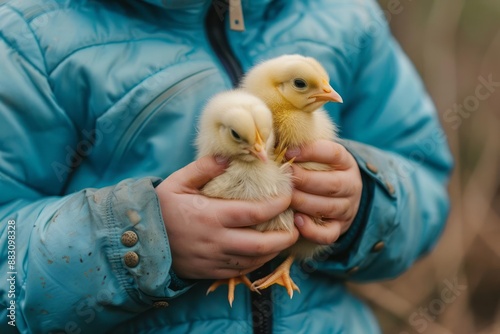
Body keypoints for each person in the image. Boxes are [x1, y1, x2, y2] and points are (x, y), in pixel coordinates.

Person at [0, 0, 453, 333]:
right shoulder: (31, 35)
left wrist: (366, 201)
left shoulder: (346, 18)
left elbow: (426, 179)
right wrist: (137, 242)